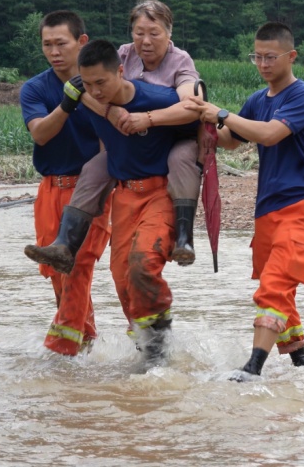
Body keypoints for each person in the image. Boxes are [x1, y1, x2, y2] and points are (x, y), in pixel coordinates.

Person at [188, 21, 304, 380]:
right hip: (267, 209)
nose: (263, 64)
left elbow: (268, 135)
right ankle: (300, 361)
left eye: (270, 57)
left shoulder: (303, 95)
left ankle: (253, 368)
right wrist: (204, 121)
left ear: (291, 56)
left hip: (302, 205)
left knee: (274, 287)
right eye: (257, 57)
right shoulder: (256, 100)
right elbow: (231, 139)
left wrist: (222, 114)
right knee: (279, 285)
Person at [25, 0, 204, 272]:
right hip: (129, 139)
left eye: (154, 33)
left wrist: (147, 118)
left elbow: (191, 105)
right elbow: (86, 88)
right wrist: (110, 112)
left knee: (180, 160)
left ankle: (184, 239)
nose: (145, 41)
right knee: (94, 168)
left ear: (169, 33)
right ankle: (64, 245)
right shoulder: (123, 55)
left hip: (171, 134)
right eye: (139, 33)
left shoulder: (180, 61)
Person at [76, 39, 200, 367]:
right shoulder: (91, 99)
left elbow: (197, 116)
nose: (95, 91)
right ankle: (148, 347)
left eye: (101, 83)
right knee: (121, 276)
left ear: (120, 71)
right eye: (88, 84)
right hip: (124, 196)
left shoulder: (159, 99)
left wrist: (149, 119)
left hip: (160, 192)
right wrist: (108, 108)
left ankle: (158, 348)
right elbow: (73, 89)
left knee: (142, 263)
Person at [19, 11, 111, 356]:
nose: (54, 52)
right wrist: (67, 103)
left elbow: (109, 142)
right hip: (51, 188)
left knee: (77, 266)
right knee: (58, 273)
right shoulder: (35, 88)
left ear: (81, 42)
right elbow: (40, 134)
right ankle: (86, 345)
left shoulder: (102, 85)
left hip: (90, 188)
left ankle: (59, 354)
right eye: (47, 45)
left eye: (61, 43)